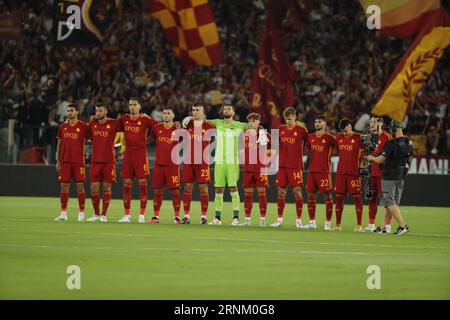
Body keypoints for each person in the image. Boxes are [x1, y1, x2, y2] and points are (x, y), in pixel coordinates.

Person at [184, 104, 249, 226]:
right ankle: (217, 218)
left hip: (232, 161)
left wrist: (260, 129)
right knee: (218, 190)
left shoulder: (239, 125)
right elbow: (201, 119)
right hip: (219, 162)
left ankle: (236, 217)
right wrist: (190, 118)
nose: (226, 110)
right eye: (224, 109)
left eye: (229, 108)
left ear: (233, 112)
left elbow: (252, 125)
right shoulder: (217, 123)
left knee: (233, 188)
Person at [367, 120, 413, 235]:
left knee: (389, 201)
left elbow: (380, 160)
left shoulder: (392, 143)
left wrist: (371, 158)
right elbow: (410, 159)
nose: (390, 131)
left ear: (394, 129)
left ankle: (403, 226)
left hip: (389, 175)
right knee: (390, 202)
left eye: (391, 129)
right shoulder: (408, 142)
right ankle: (382, 228)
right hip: (401, 175)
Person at [117, 98, 158, 223]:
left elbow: (158, 128)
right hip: (128, 155)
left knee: (143, 185)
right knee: (126, 185)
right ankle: (127, 215)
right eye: (130, 105)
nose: (132, 107)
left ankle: (141, 215)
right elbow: (113, 126)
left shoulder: (145, 119)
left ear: (139, 106)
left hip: (140, 155)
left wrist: (149, 139)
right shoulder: (124, 118)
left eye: (135, 104)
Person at [271, 107, 308, 228]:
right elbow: (275, 144)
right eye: (286, 119)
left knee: (297, 192)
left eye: (290, 119)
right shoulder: (280, 129)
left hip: (295, 166)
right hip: (282, 166)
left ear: (295, 117)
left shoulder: (302, 130)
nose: (288, 121)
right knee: (281, 192)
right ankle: (279, 219)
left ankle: (298, 220)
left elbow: (309, 145)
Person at [86, 103, 121, 222]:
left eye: (100, 110)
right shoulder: (92, 124)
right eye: (96, 111)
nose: (98, 113)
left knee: (107, 187)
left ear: (106, 111)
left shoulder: (113, 123)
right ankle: (96, 214)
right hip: (96, 160)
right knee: (94, 188)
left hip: (109, 161)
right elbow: (86, 136)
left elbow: (127, 124)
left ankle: (104, 215)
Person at [54, 104, 90, 221]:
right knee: (64, 187)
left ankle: (81, 213)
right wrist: (58, 160)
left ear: (77, 112)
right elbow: (59, 144)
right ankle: (63, 214)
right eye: (68, 111)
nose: (69, 113)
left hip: (79, 161)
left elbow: (92, 139)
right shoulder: (62, 127)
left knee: (80, 187)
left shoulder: (84, 127)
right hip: (65, 161)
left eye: (72, 111)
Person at [180, 103, 214, 225]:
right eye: (193, 110)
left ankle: (203, 217)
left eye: (198, 110)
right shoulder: (187, 124)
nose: (195, 112)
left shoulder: (209, 126)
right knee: (187, 187)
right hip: (189, 160)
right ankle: (186, 216)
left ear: (203, 112)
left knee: (203, 187)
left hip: (203, 161)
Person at [147, 107, 182, 224]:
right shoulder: (157, 128)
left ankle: (177, 217)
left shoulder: (178, 129)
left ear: (173, 115)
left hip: (172, 165)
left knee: (175, 191)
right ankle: (155, 216)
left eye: (168, 113)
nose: (166, 115)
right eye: (164, 113)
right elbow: (148, 140)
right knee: (157, 190)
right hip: (159, 165)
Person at [302, 115, 336, 231]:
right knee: (310, 196)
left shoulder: (330, 138)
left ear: (324, 124)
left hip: (324, 172)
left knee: (328, 197)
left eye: (319, 122)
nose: (316, 123)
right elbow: (308, 150)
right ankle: (312, 222)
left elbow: (338, 148)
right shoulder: (310, 138)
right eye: (316, 121)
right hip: (312, 172)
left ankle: (328, 223)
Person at [362, 116, 393, 233]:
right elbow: (366, 153)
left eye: (374, 122)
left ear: (381, 123)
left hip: (383, 173)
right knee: (371, 198)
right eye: (370, 121)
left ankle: (388, 225)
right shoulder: (368, 136)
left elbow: (389, 156)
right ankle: (371, 224)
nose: (371, 124)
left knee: (386, 200)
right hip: (372, 173)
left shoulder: (387, 137)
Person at [240, 113, 272, 227]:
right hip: (248, 168)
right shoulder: (245, 135)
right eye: (250, 121)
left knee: (261, 194)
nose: (251, 123)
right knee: (247, 194)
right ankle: (247, 220)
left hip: (261, 168)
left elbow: (273, 146)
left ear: (259, 122)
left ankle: (262, 219)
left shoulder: (263, 134)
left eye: (254, 121)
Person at [334, 119, 364, 231]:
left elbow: (368, 151)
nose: (344, 133)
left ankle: (359, 225)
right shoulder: (339, 138)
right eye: (342, 131)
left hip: (354, 173)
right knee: (339, 198)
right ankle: (337, 225)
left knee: (357, 198)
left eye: (345, 130)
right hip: (341, 173)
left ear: (350, 126)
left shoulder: (359, 138)